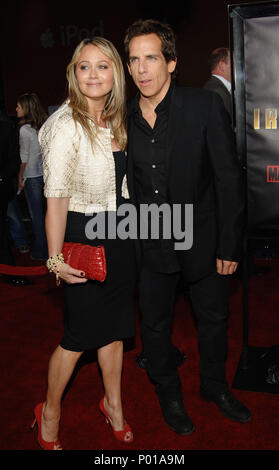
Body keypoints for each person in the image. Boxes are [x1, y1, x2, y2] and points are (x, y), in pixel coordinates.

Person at [124, 19, 251, 435]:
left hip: (203, 239)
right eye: (134, 60)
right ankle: (168, 393)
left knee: (214, 319)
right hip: (148, 241)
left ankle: (215, 387)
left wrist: (230, 245)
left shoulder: (203, 107)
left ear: (172, 62)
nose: (142, 69)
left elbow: (228, 179)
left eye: (152, 58)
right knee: (155, 326)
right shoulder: (120, 119)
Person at [30, 37, 136, 450]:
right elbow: (53, 202)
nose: (93, 74)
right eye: (84, 66)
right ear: (74, 73)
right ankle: (49, 411)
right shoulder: (64, 125)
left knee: (114, 332)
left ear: (116, 73)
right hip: (81, 236)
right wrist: (55, 260)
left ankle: (114, 405)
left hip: (120, 236)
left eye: (103, 66)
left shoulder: (117, 119)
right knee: (77, 337)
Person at [16, 93, 48, 260]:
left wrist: (20, 178)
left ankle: (41, 252)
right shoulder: (44, 125)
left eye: (19, 106)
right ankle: (52, 249)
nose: (16, 109)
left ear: (26, 108)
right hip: (45, 176)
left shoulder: (24, 130)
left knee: (36, 217)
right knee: (48, 215)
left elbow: (24, 158)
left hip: (32, 177)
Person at [0, 108, 29, 286]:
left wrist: (1, 177)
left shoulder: (6, 129)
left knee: (2, 233)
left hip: (1, 189)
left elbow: (14, 160)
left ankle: (9, 271)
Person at [203, 47, 232, 118]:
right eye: (234, 63)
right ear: (221, 66)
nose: (238, 68)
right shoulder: (218, 92)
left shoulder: (213, 87)